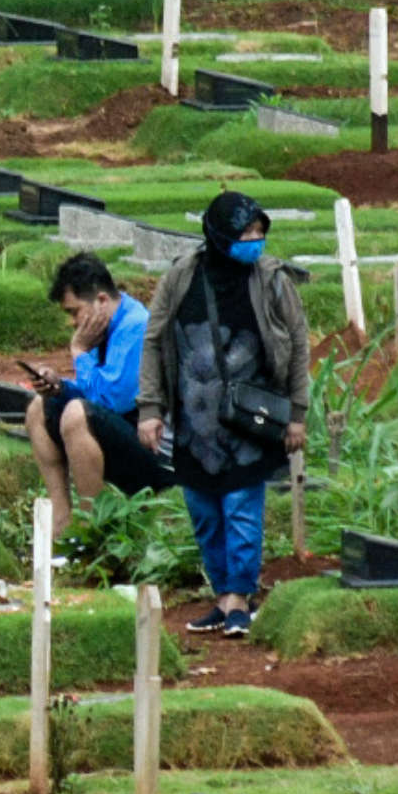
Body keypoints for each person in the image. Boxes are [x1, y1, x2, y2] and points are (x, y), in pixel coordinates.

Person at [135, 191, 312, 638]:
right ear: (218, 234)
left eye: (259, 232)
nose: (254, 240)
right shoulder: (182, 276)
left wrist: (297, 413)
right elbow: (154, 341)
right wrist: (150, 410)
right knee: (204, 510)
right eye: (245, 232)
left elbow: (297, 343)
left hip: (250, 420)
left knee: (240, 507)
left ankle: (240, 596)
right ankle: (222, 595)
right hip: (194, 422)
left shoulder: (271, 279)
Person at [23, 252, 161, 526]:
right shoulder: (104, 326)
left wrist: (80, 351)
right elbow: (97, 391)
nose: (73, 322)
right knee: (38, 408)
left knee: (76, 416)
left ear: (101, 300)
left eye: (74, 312)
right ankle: (61, 520)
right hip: (123, 430)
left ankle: (92, 527)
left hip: (159, 454)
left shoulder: (136, 327)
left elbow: (109, 402)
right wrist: (60, 386)